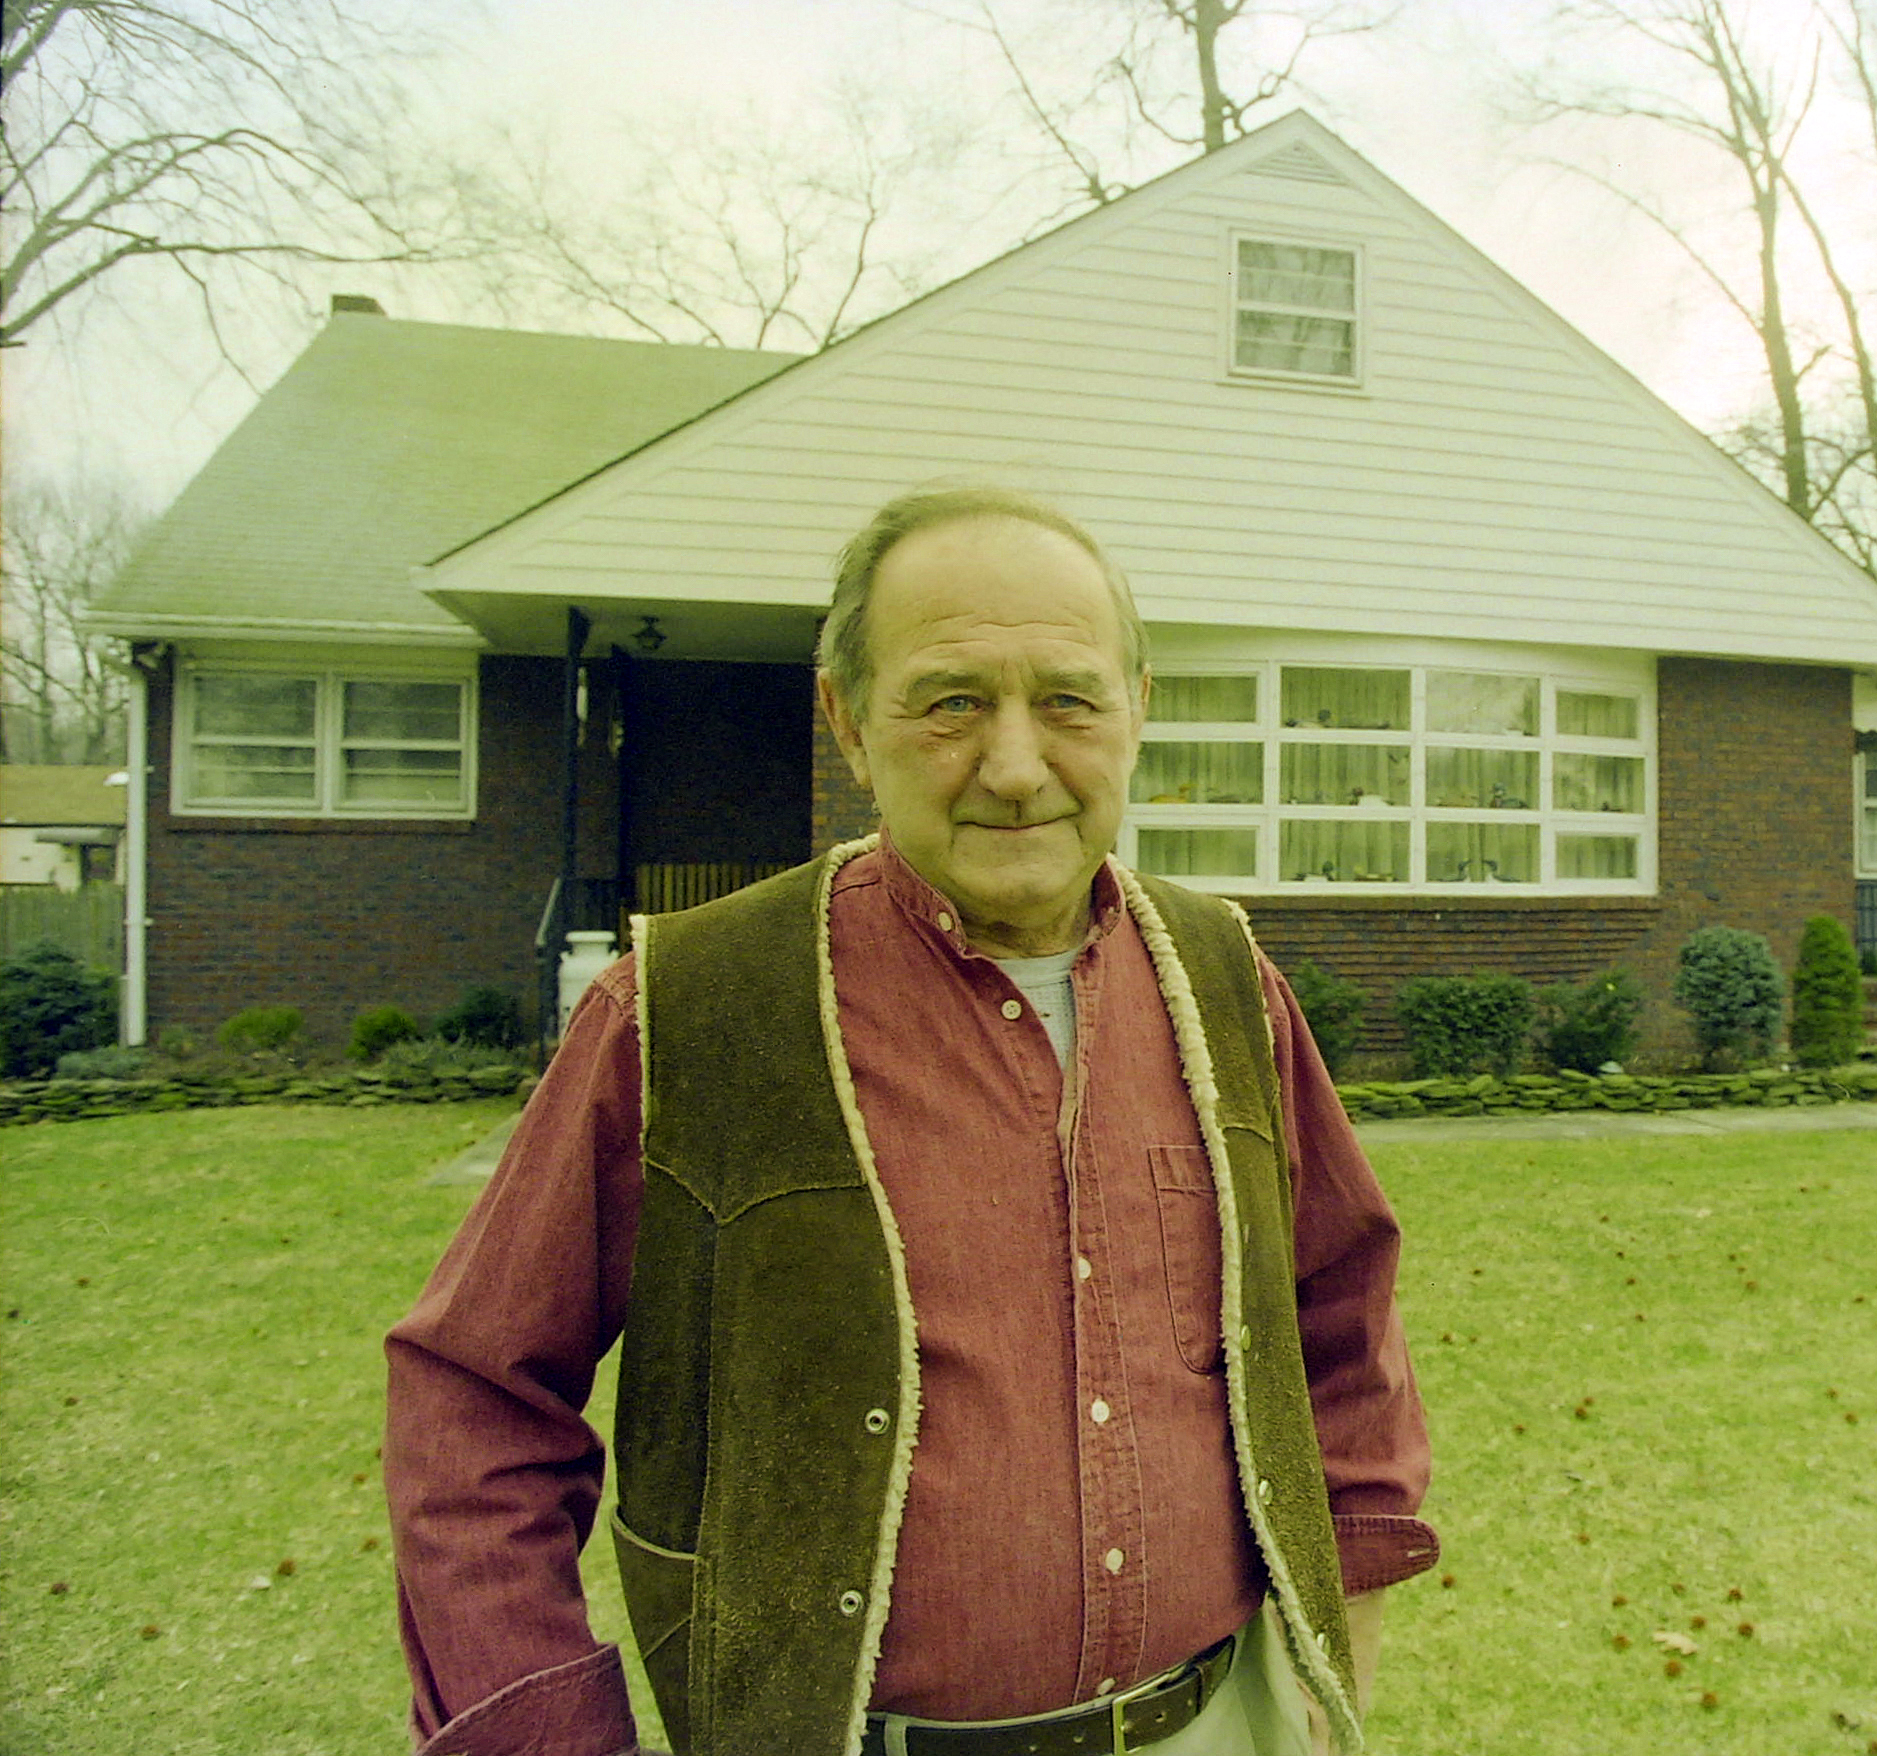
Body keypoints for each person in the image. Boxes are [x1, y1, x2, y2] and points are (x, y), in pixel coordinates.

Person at [384, 487, 1436, 1756]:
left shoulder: (1226, 983)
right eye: (950, 703)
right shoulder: (685, 1011)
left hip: (1220, 1724)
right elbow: (475, 1398)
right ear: (846, 719)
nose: (1015, 766)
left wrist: (1342, 1634)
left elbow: (1339, 1306)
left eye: (1068, 699)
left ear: (1136, 706)